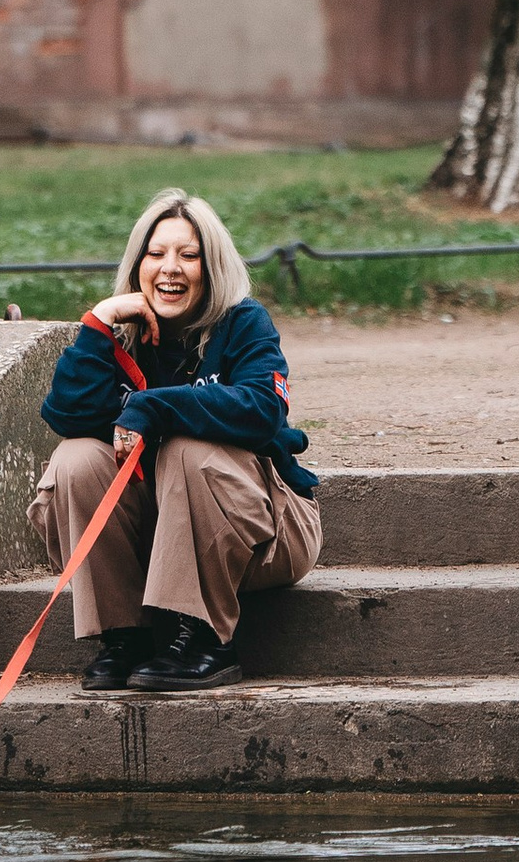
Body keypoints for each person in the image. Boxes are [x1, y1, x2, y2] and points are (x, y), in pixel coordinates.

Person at [33, 186, 321, 693]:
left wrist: (155, 407)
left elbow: (262, 409)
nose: (171, 268)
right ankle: (125, 636)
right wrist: (98, 322)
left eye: (189, 256)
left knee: (187, 448)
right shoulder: (119, 331)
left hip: (267, 532)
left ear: (211, 269)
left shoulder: (244, 322)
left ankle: (205, 637)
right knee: (77, 458)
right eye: (157, 254)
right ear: (137, 263)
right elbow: (66, 413)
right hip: (156, 535)